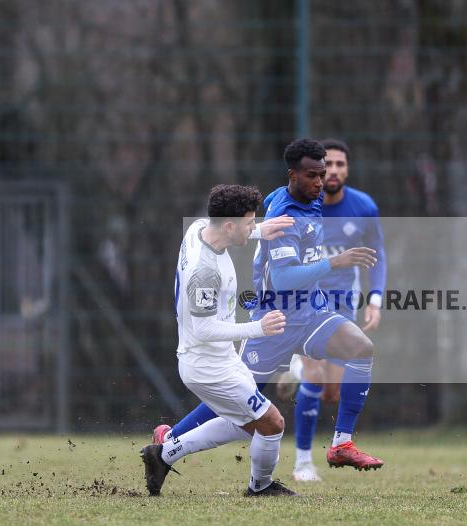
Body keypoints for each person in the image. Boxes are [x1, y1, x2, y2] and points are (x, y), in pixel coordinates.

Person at [157, 139, 385, 473]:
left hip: (311, 314)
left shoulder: (310, 196)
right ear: (293, 175)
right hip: (274, 322)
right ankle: (170, 437)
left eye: (324, 173)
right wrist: (336, 263)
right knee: (240, 406)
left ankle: (341, 444)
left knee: (361, 349)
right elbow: (283, 280)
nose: (321, 182)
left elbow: (239, 228)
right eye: (313, 175)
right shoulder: (286, 216)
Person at [140, 184, 299, 497]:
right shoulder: (205, 272)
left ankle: (163, 454)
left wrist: (260, 231)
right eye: (250, 223)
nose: (253, 227)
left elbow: (234, 229)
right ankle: (260, 487)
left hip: (220, 358)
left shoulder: (200, 227)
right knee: (272, 423)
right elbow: (204, 330)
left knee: (244, 422)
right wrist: (258, 329)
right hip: (206, 364)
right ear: (229, 226)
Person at [290, 138, 387, 482]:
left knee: (332, 391)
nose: (332, 171)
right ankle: (303, 461)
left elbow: (378, 255)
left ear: (348, 169)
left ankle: (297, 377)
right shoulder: (298, 204)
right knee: (315, 377)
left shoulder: (363, 207)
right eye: (326, 165)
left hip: (343, 307)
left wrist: (375, 299)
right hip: (305, 307)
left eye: (339, 165)